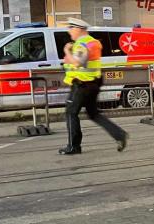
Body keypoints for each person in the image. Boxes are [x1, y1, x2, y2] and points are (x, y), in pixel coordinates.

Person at [58, 18, 127, 155]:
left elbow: (78, 63)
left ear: (79, 29)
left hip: (82, 84)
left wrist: (67, 51)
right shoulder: (90, 42)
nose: (69, 31)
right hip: (92, 83)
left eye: (71, 28)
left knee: (71, 113)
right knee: (93, 113)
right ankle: (119, 135)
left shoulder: (83, 44)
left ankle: (74, 146)